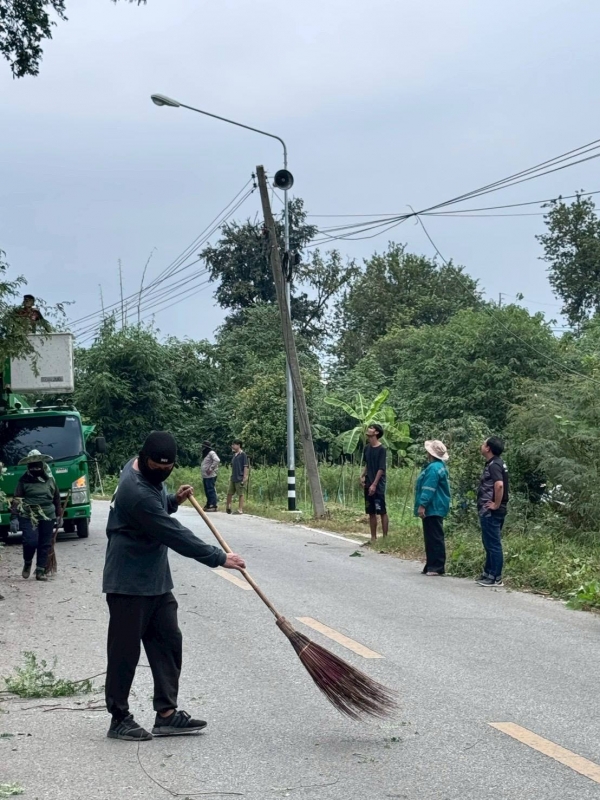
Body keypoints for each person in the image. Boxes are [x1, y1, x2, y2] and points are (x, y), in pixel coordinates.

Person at [102, 431, 246, 742]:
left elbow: (157, 507)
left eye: (168, 469)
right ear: (144, 459)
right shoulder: (135, 491)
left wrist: (171, 500)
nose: (162, 473)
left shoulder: (142, 471)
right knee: (124, 652)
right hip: (128, 581)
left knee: (168, 642)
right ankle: (119, 718)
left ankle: (166, 715)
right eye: (157, 468)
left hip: (156, 579)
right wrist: (220, 557)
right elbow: (173, 534)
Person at [12, 449, 61, 582]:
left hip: (48, 515)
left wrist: (58, 515)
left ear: (42, 466)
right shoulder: (23, 480)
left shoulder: (50, 479)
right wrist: (14, 517)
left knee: (45, 543)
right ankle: (28, 562)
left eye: (37, 466)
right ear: (28, 467)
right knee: (30, 541)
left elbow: (56, 497)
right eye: (32, 467)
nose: (35, 469)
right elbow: (17, 499)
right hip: (28, 514)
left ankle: (40, 570)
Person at [476, 436, 509, 588]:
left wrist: (496, 504)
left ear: (488, 448)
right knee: (488, 542)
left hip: (491, 511)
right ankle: (488, 573)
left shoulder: (494, 465)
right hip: (490, 510)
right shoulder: (497, 463)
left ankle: (495, 577)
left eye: (484, 443)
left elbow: (499, 485)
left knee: (493, 543)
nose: (481, 445)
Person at [414, 440, 451, 576]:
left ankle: (436, 566)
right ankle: (431, 564)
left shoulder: (433, 468)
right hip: (438, 505)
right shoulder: (440, 466)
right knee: (432, 536)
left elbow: (428, 488)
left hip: (433, 506)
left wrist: (422, 505)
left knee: (434, 537)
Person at [360, 424, 388, 542]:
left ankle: (385, 538)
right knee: (371, 511)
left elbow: (381, 468)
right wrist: (362, 476)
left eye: (371, 428)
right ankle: (373, 537)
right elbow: (368, 464)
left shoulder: (382, 450)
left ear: (376, 433)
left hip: (378, 484)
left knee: (381, 511)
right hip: (368, 482)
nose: (368, 429)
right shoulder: (367, 448)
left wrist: (374, 484)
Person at [226, 439, 249, 515]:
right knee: (229, 492)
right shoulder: (234, 455)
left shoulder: (243, 455)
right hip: (233, 477)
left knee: (240, 494)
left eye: (234, 444)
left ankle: (240, 509)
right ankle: (228, 507)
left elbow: (245, 466)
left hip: (240, 477)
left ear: (239, 445)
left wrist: (245, 477)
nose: (232, 446)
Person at [200, 440, 220, 512]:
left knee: (211, 490)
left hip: (210, 475)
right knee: (207, 491)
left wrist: (211, 468)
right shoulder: (206, 454)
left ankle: (213, 505)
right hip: (205, 476)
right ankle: (209, 504)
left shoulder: (211, 452)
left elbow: (217, 460)